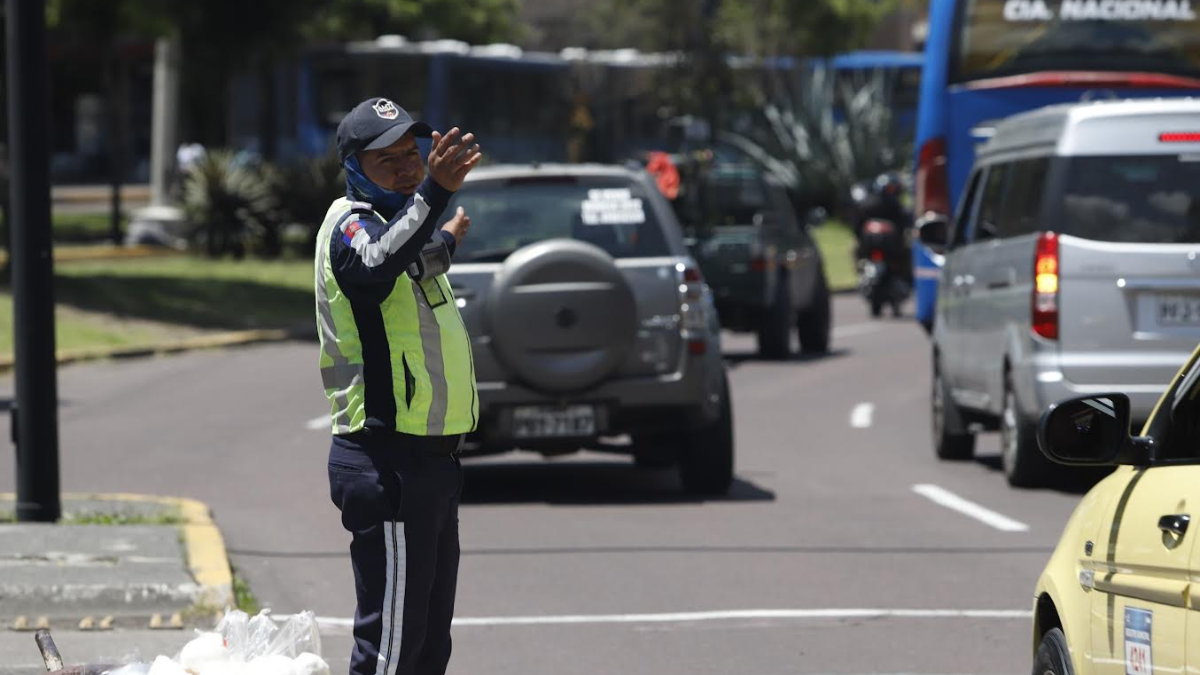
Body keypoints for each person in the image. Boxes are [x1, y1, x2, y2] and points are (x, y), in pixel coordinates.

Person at [315, 96, 482, 675]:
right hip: (385, 460)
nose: (409, 168)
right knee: (390, 649)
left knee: (429, 647)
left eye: (413, 155)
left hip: (432, 463)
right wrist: (434, 194)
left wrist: (449, 237)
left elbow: (414, 263)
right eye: (390, 161)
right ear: (357, 167)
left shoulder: (393, 226)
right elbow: (375, 265)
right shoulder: (350, 224)